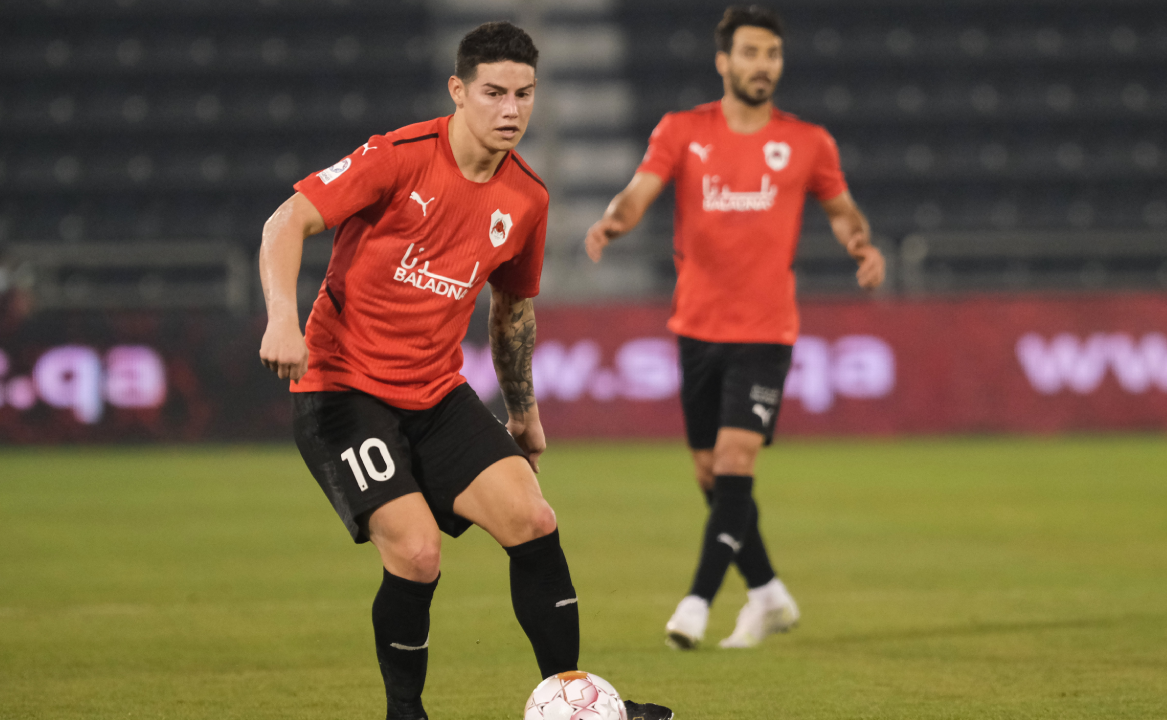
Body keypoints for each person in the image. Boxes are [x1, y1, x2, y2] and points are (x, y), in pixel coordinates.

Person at [258, 22, 672, 720]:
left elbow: (511, 313)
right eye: (494, 93)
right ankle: (405, 713)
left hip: (436, 392)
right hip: (342, 388)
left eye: (524, 94)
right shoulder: (398, 156)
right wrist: (280, 318)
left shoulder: (528, 200)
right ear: (459, 91)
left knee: (533, 520)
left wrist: (523, 411)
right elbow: (285, 221)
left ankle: (575, 701)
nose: (511, 109)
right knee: (418, 553)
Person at [585, 6, 886, 650]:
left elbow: (841, 209)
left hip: (766, 331)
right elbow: (641, 190)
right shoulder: (683, 130)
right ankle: (769, 593)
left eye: (771, 54)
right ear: (723, 61)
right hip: (696, 328)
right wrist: (615, 221)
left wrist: (860, 245)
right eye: (749, 53)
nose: (762, 65)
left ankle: (696, 603)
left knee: (734, 460)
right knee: (709, 474)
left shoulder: (808, 142)